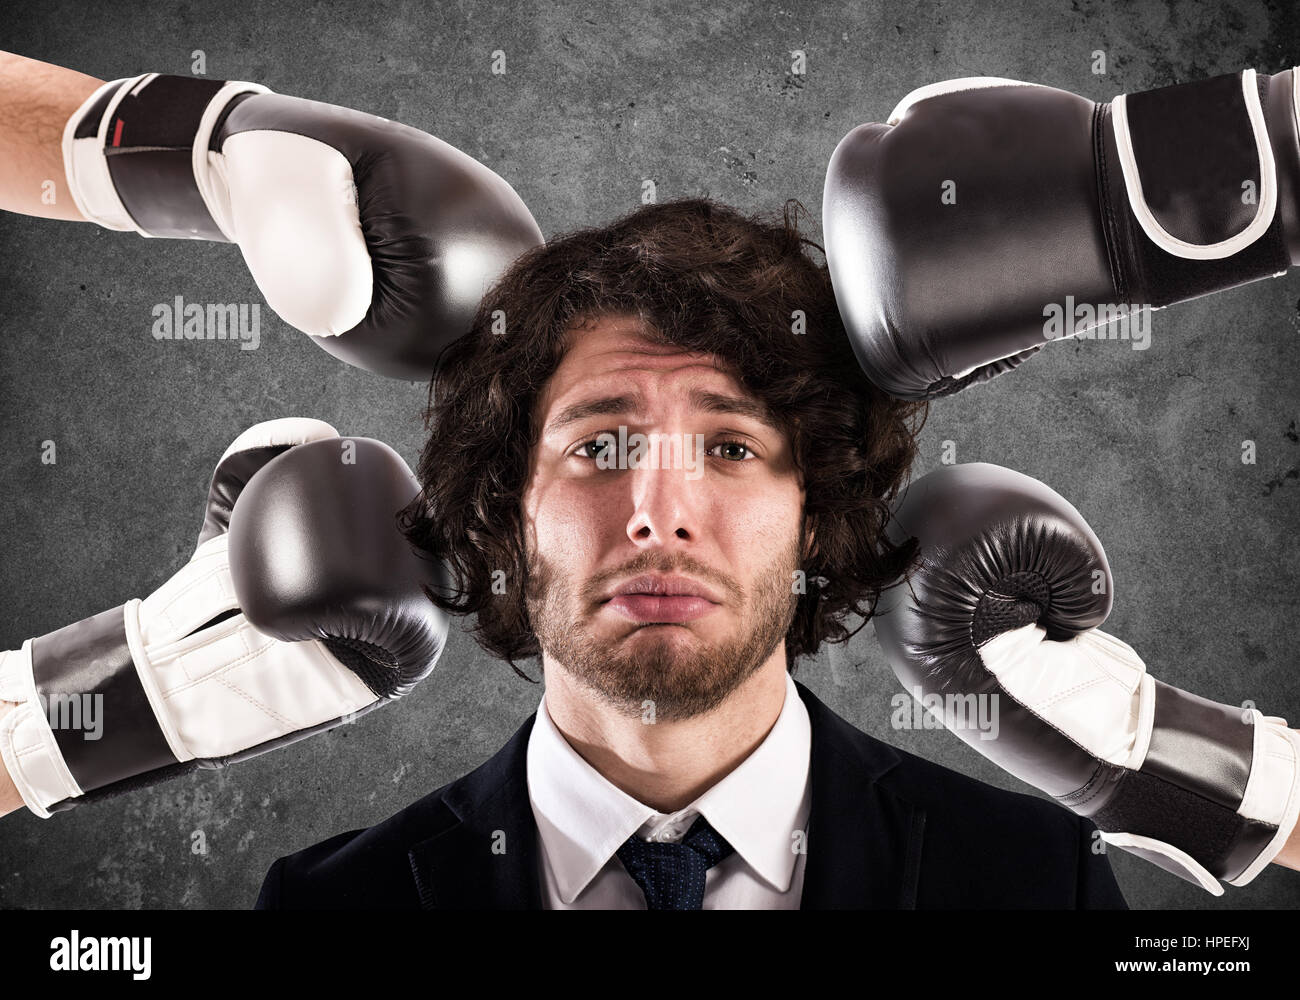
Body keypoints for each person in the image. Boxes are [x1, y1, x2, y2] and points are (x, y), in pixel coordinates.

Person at [255, 198, 1130, 909]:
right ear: (506, 512)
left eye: (731, 448)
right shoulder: (324, 906)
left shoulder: (1040, 881)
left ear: (815, 512)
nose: (660, 517)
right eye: (600, 447)